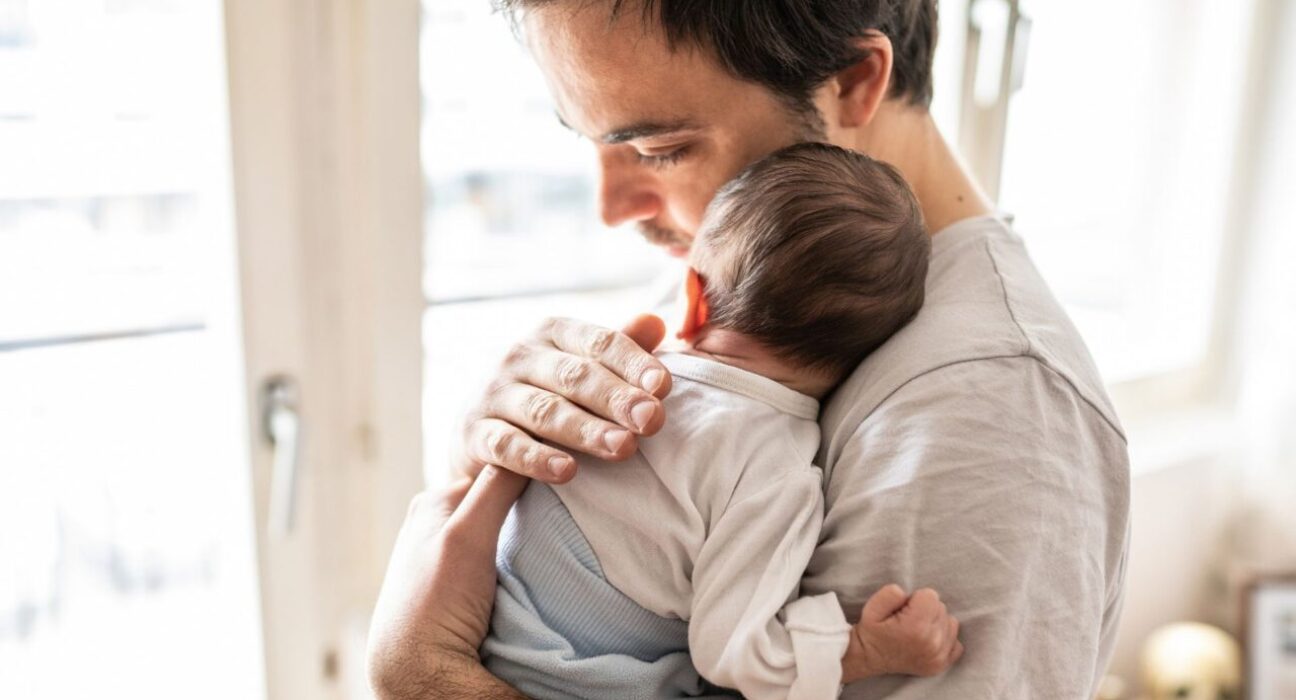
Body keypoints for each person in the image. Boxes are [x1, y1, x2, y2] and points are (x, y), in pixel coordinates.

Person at [369, 0, 1131, 697]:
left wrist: (423, 677)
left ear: (854, 82)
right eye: (592, 138)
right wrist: (484, 484)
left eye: (661, 147)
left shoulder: (988, 411)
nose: (610, 210)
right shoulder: (761, 276)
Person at [482, 143, 959, 699]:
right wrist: (865, 651)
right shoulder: (772, 471)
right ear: (861, 362)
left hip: (490, 630)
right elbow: (732, 651)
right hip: (581, 681)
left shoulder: (616, 376)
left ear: (693, 298)